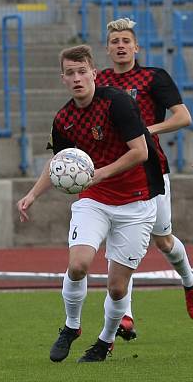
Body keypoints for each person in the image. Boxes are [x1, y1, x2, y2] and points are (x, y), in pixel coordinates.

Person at [17, 45, 165, 362]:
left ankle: (105, 341)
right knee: (78, 264)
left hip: (136, 203)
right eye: (70, 73)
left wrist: (98, 174)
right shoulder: (65, 119)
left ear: (94, 73)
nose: (77, 78)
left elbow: (141, 152)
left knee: (116, 287)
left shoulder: (117, 103)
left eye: (82, 71)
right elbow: (59, 163)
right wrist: (32, 194)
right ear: (63, 79)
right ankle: (71, 327)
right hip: (94, 200)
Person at [96, 18, 193, 341]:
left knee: (164, 241)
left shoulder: (153, 77)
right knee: (119, 242)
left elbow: (184, 116)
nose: (120, 46)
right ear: (107, 48)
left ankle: (189, 281)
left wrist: (146, 132)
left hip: (151, 168)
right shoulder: (99, 81)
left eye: (125, 41)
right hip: (115, 170)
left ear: (136, 47)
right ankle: (124, 316)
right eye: (114, 41)